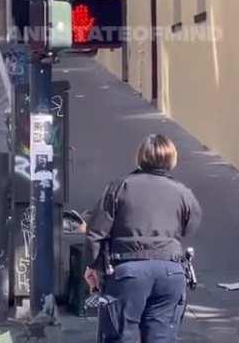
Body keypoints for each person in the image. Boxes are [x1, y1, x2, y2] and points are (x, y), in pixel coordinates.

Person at [84, 134, 202, 343]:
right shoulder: (183, 193)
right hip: (171, 271)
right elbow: (190, 227)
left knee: (122, 336)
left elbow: (96, 232)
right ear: (172, 159)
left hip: (128, 271)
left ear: (140, 158)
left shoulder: (120, 187)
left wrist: (92, 266)